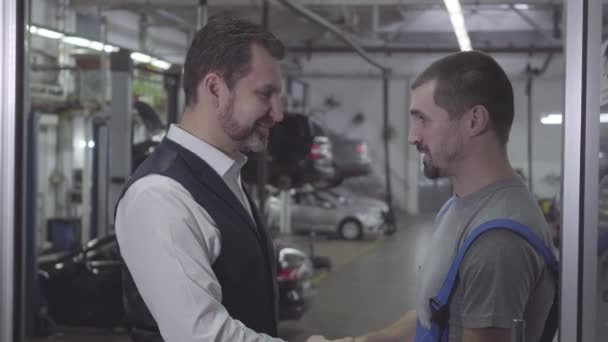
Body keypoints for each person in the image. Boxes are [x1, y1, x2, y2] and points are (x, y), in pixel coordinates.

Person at [115, 15, 347, 342]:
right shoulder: (159, 195)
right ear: (215, 89)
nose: (278, 113)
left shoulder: (225, 175)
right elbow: (202, 336)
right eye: (265, 95)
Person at [353, 51, 557, 342]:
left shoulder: (497, 240)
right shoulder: (458, 206)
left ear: (474, 121)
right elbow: (435, 312)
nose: (412, 136)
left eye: (422, 119)